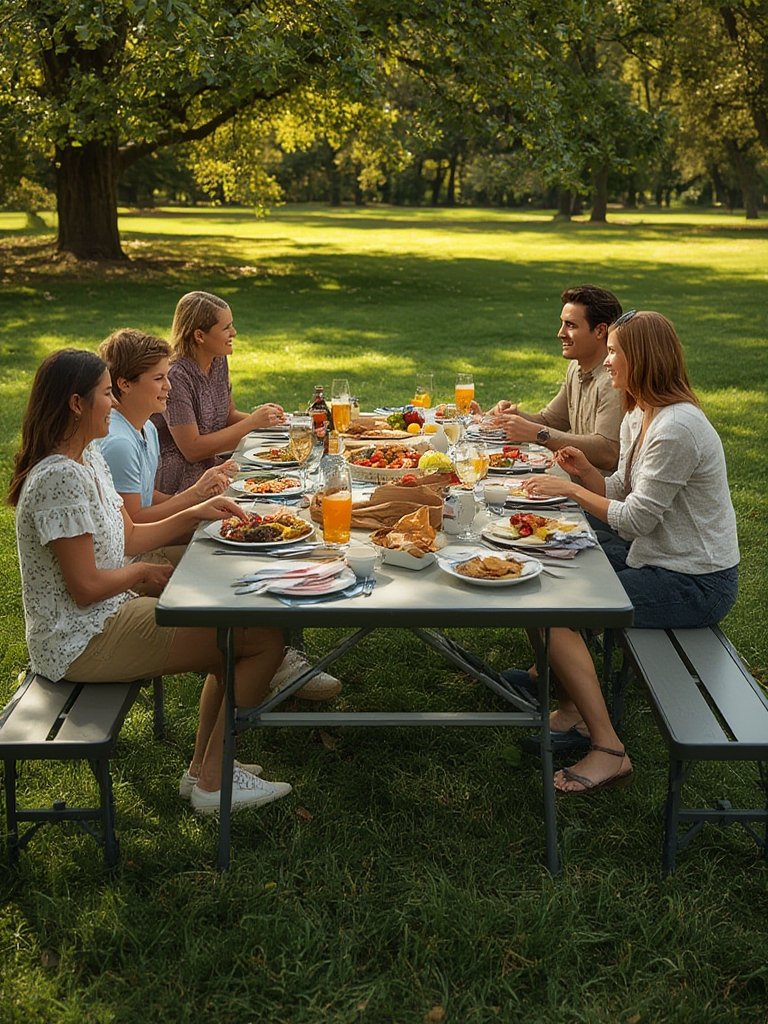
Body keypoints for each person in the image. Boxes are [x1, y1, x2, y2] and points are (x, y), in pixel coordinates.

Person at [8, 348, 292, 815]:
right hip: (80, 638)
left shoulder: (89, 457)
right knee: (261, 639)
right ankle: (215, 783)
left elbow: (133, 534)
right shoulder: (58, 477)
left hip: (105, 615)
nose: (114, 404)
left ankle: (204, 770)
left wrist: (196, 510)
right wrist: (142, 574)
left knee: (238, 631)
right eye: (105, 394)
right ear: (76, 404)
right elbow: (85, 587)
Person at [514, 310, 739, 794]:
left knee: (554, 610)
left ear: (643, 359)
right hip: (653, 558)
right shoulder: (641, 413)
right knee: (539, 570)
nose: (608, 360)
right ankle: (575, 707)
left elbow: (636, 520)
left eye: (615, 352)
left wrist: (572, 492)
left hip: (694, 581)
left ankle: (609, 749)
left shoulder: (677, 427)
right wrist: (585, 475)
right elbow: (620, 490)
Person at [100, 327, 342, 702]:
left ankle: (268, 658)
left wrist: (194, 498)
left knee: (247, 548)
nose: (169, 387)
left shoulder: (144, 428)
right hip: (135, 561)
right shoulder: (118, 442)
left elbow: (148, 498)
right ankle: (270, 659)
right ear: (124, 385)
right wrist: (195, 501)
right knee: (237, 563)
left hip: (142, 547)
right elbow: (134, 525)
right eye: (160, 379)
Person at [152, 290, 285, 494]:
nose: (234, 332)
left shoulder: (218, 360)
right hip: (182, 484)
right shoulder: (177, 376)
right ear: (199, 336)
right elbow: (192, 449)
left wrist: (279, 426)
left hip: (215, 469)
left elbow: (228, 415)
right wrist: (253, 423)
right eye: (226, 327)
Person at [480, 284, 624, 472]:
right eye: (562, 323)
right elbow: (550, 420)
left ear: (600, 331)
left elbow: (608, 453)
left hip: (599, 495)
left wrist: (539, 434)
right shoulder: (576, 367)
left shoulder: (613, 380)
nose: (560, 333)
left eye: (570, 325)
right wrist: (513, 418)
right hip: (569, 482)